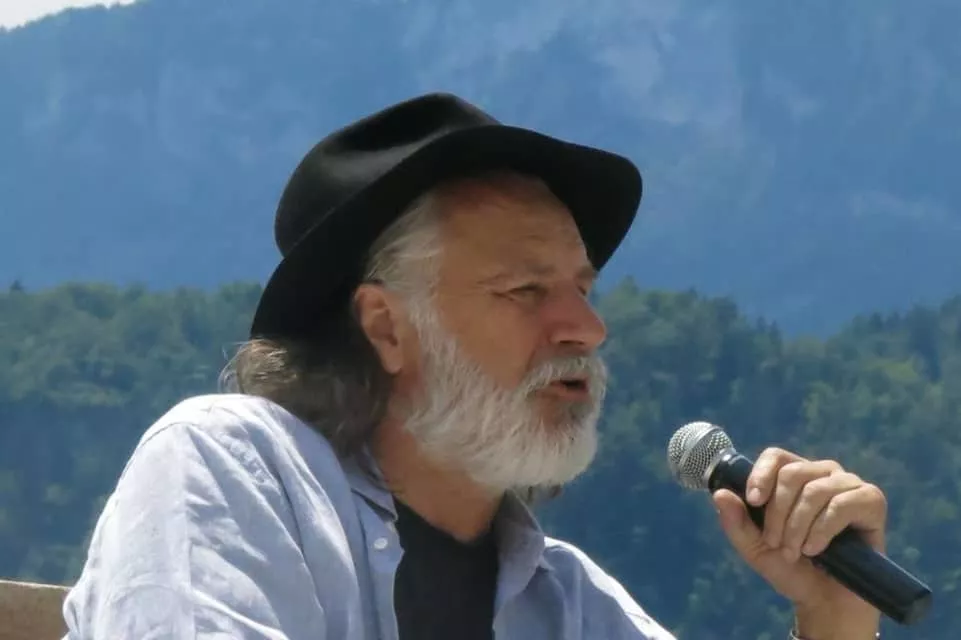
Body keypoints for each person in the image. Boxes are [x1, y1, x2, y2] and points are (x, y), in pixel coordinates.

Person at [61, 93, 886, 639]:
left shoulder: (568, 605)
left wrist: (835, 616)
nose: (587, 328)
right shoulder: (235, 468)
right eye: (525, 290)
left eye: (582, 288)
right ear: (386, 328)